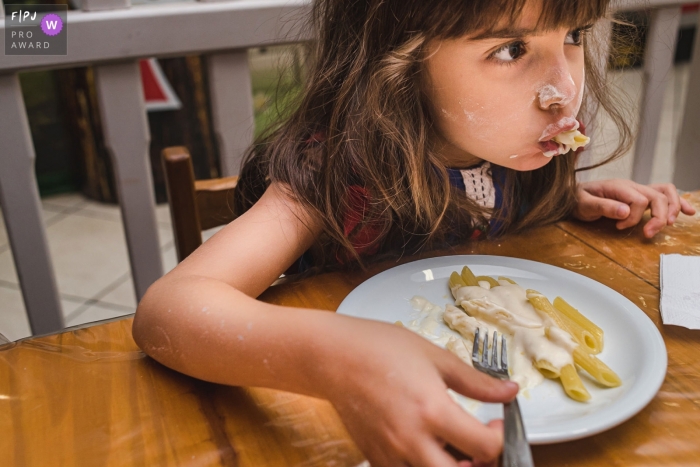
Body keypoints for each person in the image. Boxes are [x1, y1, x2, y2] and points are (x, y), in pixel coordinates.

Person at [133, 0, 696, 465]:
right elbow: (168, 311)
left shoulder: (509, 148)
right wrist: (335, 359)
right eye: (510, 49)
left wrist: (568, 199)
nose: (564, 90)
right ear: (398, 62)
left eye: (573, 35)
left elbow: (475, 210)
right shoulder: (334, 178)